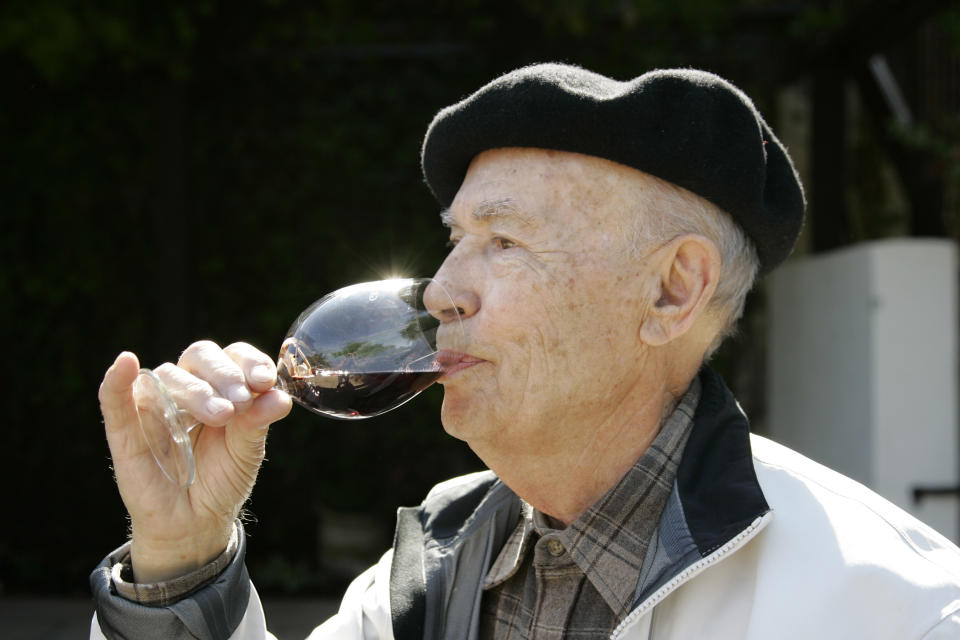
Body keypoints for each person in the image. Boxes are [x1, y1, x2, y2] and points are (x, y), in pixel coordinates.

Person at [90, 64, 960, 639]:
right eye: (454, 240)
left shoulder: (899, 611)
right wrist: (183, 556)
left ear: (672, 291)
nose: (438, 292)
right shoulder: (420, 575)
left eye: (502, 242)